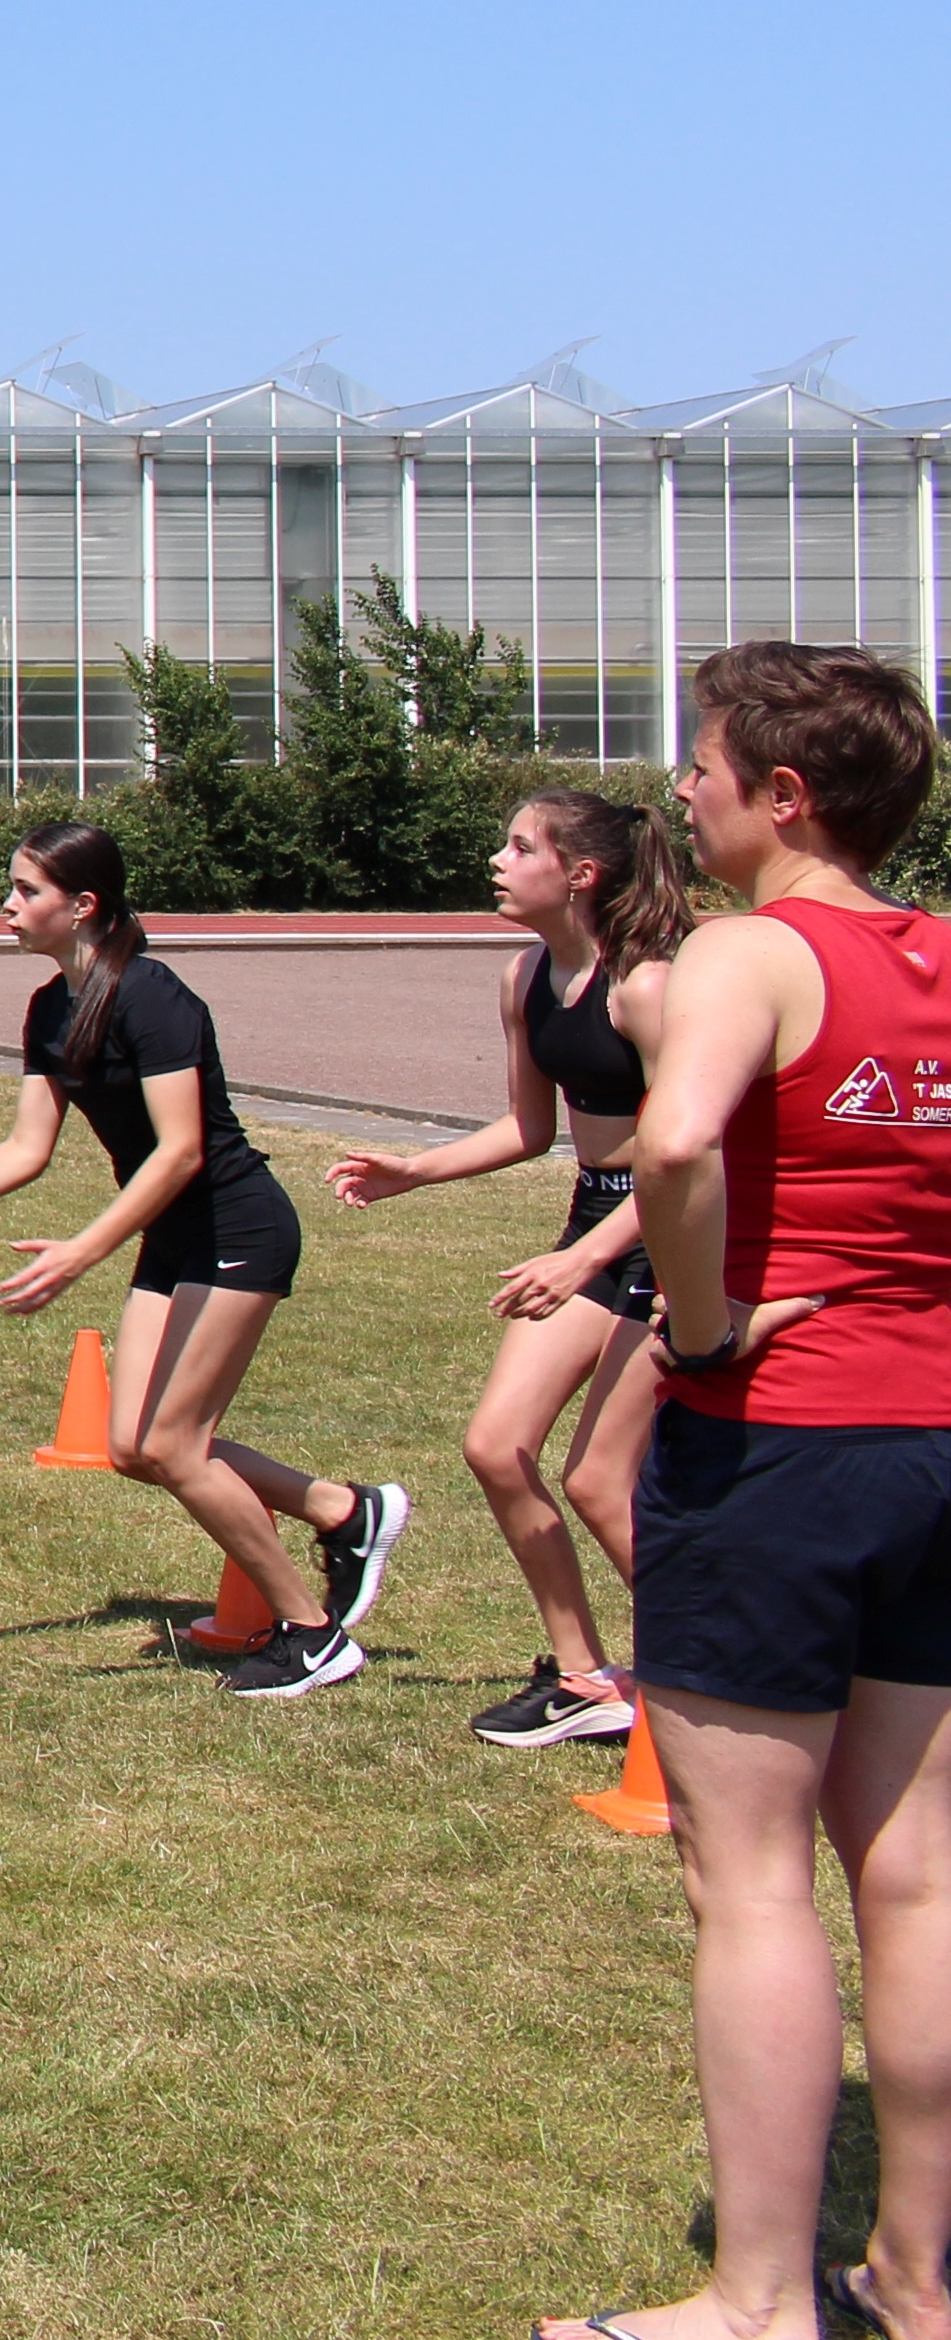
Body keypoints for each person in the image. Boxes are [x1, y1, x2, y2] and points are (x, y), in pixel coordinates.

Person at [538, 643, 951, 2340]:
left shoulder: (744, 952)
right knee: (915, 1873)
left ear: (783, 795)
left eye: (700, 765)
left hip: (779, 1444)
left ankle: (761, 2300)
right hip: (931, 1439)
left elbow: (675, 1142)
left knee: (753, 1876)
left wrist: (698, 1332)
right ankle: (916, 2279)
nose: (682, 791)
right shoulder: (939, 953)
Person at [0, 822, 411, 1704]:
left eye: (26, 891)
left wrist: (85, 1249)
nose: (7, 906)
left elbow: (181, 1151)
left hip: (237, 1224)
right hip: (175, 1237)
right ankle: (345, 1510)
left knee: (175, 1445)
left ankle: (311, 1635)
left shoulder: (153, 996)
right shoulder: (50, 1008)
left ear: (83, 905)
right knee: (134, 1448)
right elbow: (28, 1147)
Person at [325, 789, 696, 1748]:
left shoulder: (646, 987)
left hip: (671, 1231)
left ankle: (723, 1671)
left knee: (601, 1479)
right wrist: (414, 1171)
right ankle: (585, 1677)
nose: (499, 859)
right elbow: (532, 1129)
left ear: (581, 874)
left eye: (521, 846)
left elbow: (689, 1158)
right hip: (598, 1220)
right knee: (496, 1446)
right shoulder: (526, 975)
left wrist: (584, 1259)